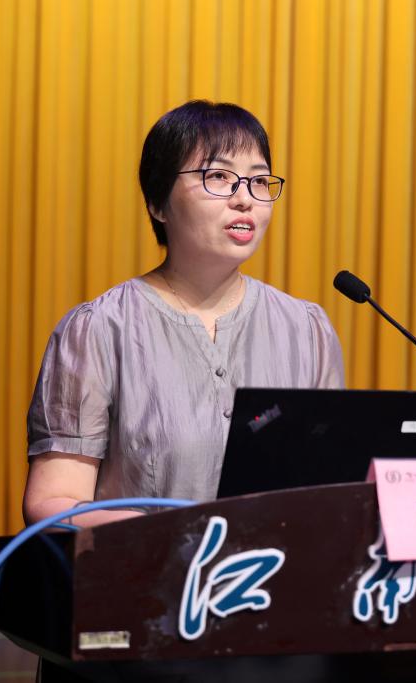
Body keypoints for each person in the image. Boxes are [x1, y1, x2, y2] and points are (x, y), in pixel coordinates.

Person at [22, 100, 345, 527]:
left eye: (258, 180)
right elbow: (54, 501)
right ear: (158, 204)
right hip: (146, 566)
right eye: (218, 177)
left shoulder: (306, 330)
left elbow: (330, 486)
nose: (244, 199)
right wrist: (167, 535)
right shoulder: (99, 329)